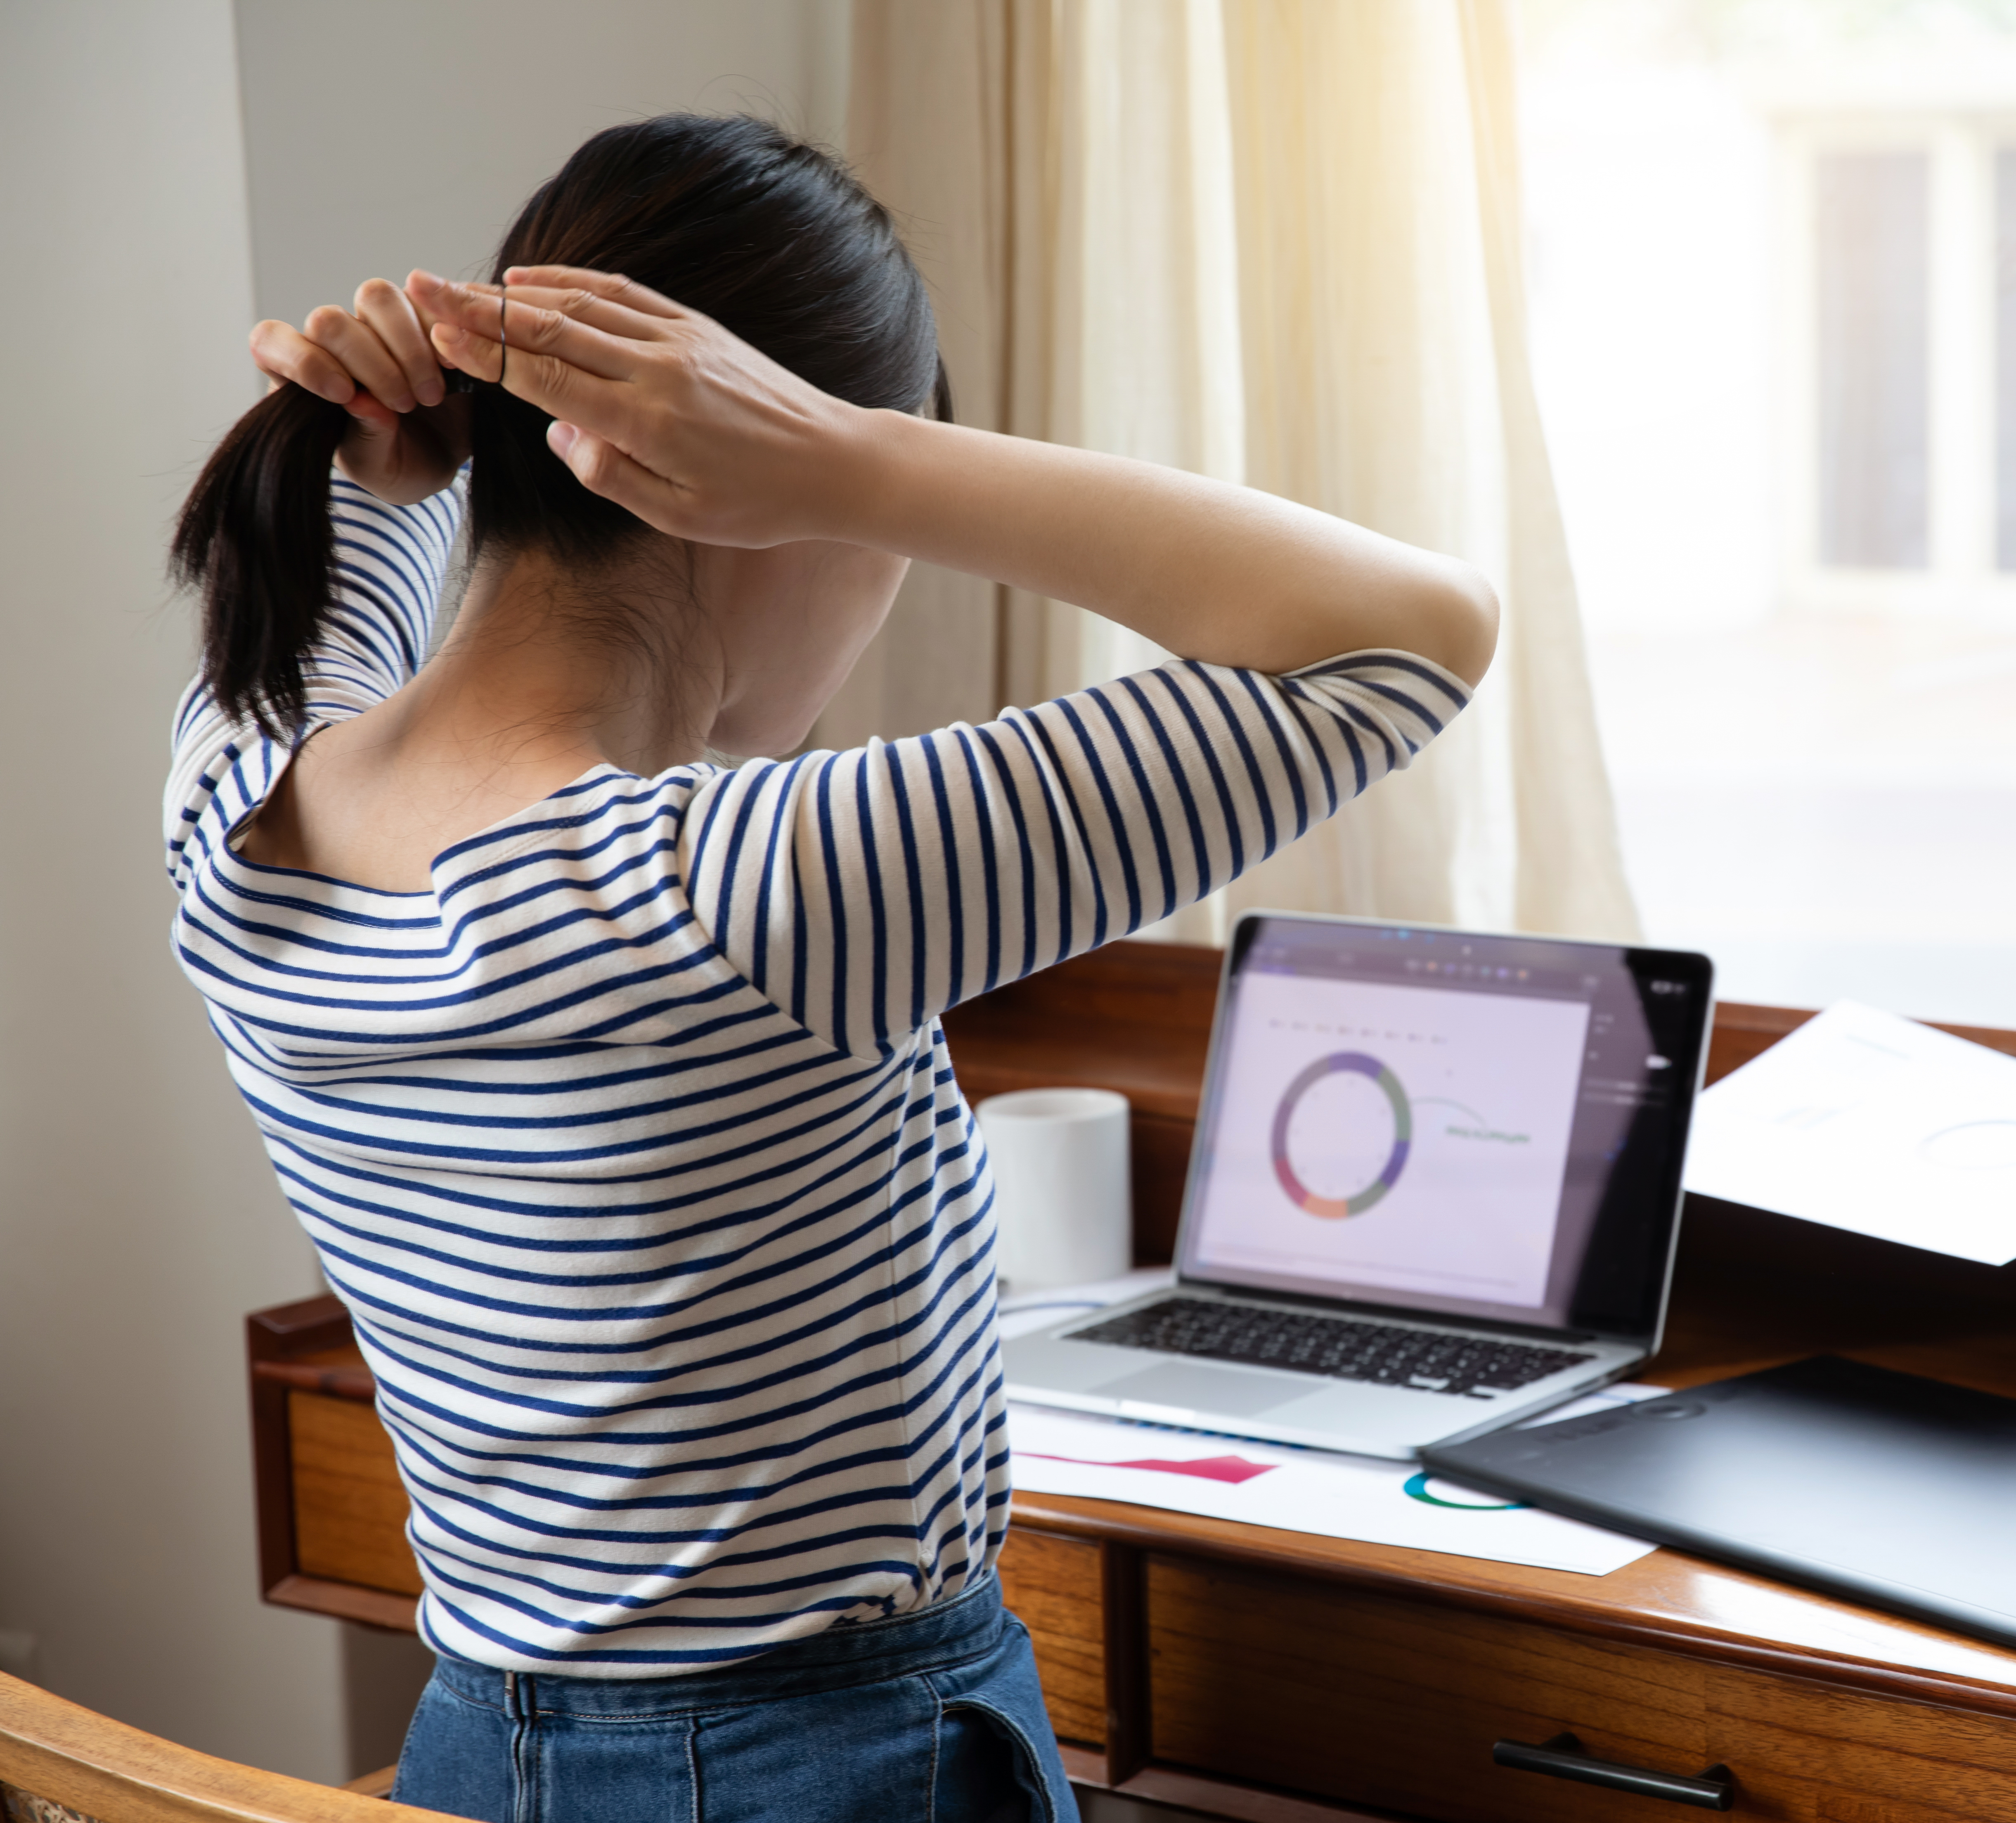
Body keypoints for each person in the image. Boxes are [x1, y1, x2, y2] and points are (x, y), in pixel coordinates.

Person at [165, 115, 1493, 1823]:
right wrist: (862, 462)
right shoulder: (750, 885)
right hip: (836, 1769)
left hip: (481, 1758)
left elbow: (359, 529)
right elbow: (1417, 632)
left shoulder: (239, 794)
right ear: (750, 489)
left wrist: (414, 422)